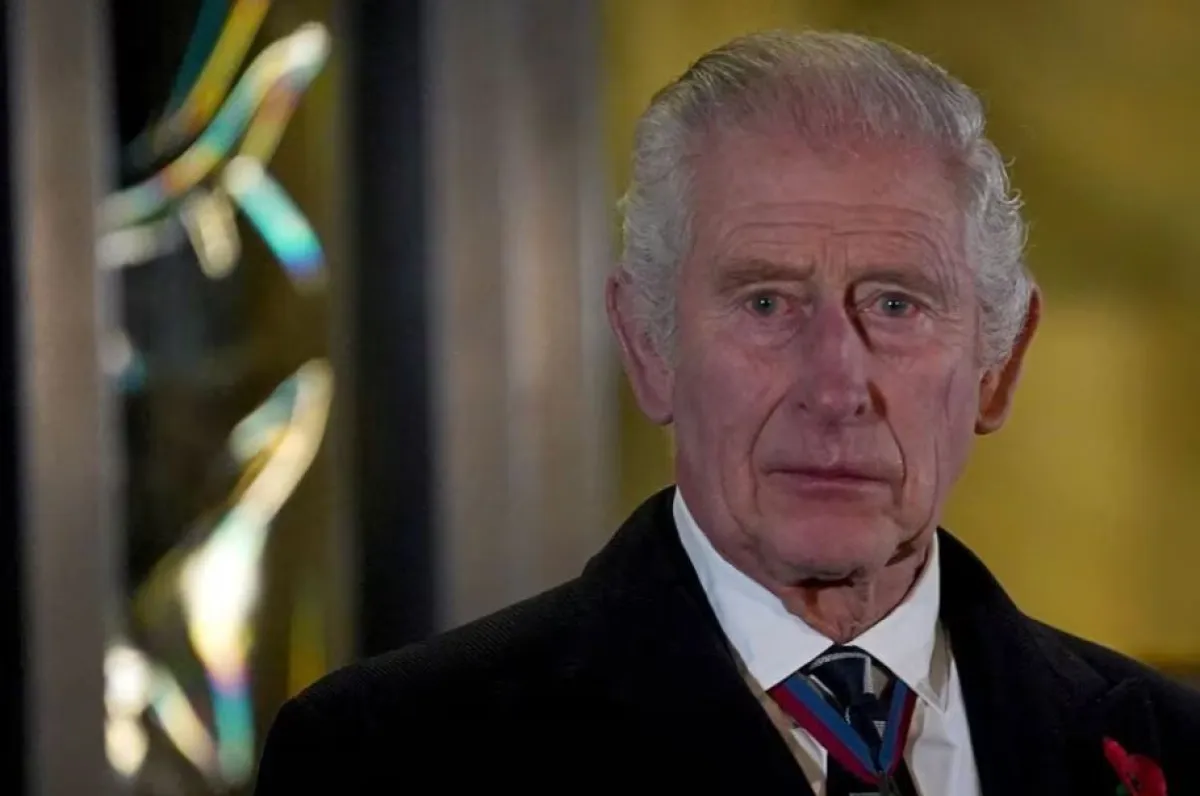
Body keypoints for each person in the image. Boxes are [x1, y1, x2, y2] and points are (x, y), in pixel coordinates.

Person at [255, 30, 1200, 794]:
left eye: (897, 305)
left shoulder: (1165, 744)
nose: (835, 387)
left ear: (999, 364)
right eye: (766, 304)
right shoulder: (394, 758)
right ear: (648, 346)